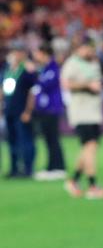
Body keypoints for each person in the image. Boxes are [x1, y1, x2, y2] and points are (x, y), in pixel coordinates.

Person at [60, 38, 103, 199]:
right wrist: (87, 85)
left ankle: (73, 181)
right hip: (81, 111)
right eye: (86, 48)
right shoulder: (71, 64)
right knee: (90, 146)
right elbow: (66, 84)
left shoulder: (94, 63)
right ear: (78, 49)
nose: (89, 51)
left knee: (89, 147)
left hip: (94, 110)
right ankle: (92, 185)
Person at [30, 43, 67, 181]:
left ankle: (59, 167)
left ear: (44, 53)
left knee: (53, 139)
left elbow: (45, 84)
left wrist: (35, 77)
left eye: (37, 53)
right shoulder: (45, 68)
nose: (35, 56)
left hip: (52, 109)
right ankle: (51, 167)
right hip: (44, 109)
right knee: (48, 139)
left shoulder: (53, 68)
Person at [0, 43, 38, 178]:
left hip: (22, 111)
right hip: (9, 110)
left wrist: (28, 111)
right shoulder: (8, 69)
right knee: (12, 140)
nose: (15, 55)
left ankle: (28, 169)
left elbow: (32, 92)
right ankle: (14, 168)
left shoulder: (27, 70)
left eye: (18, 52)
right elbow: (3, 90)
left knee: (25, 140)